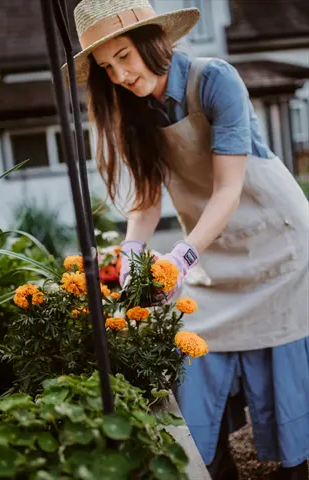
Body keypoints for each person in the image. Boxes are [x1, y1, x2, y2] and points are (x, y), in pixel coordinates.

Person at [64, 0, 309, 478]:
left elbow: (228, 189)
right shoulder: (131, 108)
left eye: (124, 57)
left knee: (283, 373)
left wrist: (180, 255)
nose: (117, 76)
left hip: (278, 246)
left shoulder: (214, 80)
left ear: (151, 41)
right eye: (106, 67)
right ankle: (211, 467)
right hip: (214, 254)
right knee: (193, 362)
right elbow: (147, 201)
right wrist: (134, 251)